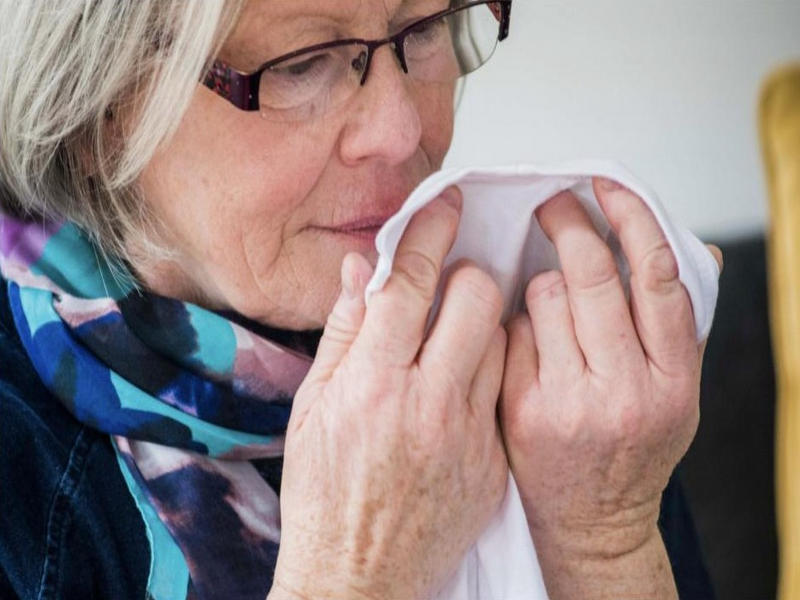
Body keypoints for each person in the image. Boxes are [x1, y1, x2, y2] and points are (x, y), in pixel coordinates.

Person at [0, 1, 718, 598]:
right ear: (97, 110)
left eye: (425, 28)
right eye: (302, 63)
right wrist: (351, 577)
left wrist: (602, 547)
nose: (403, 131)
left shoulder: (564, 379)